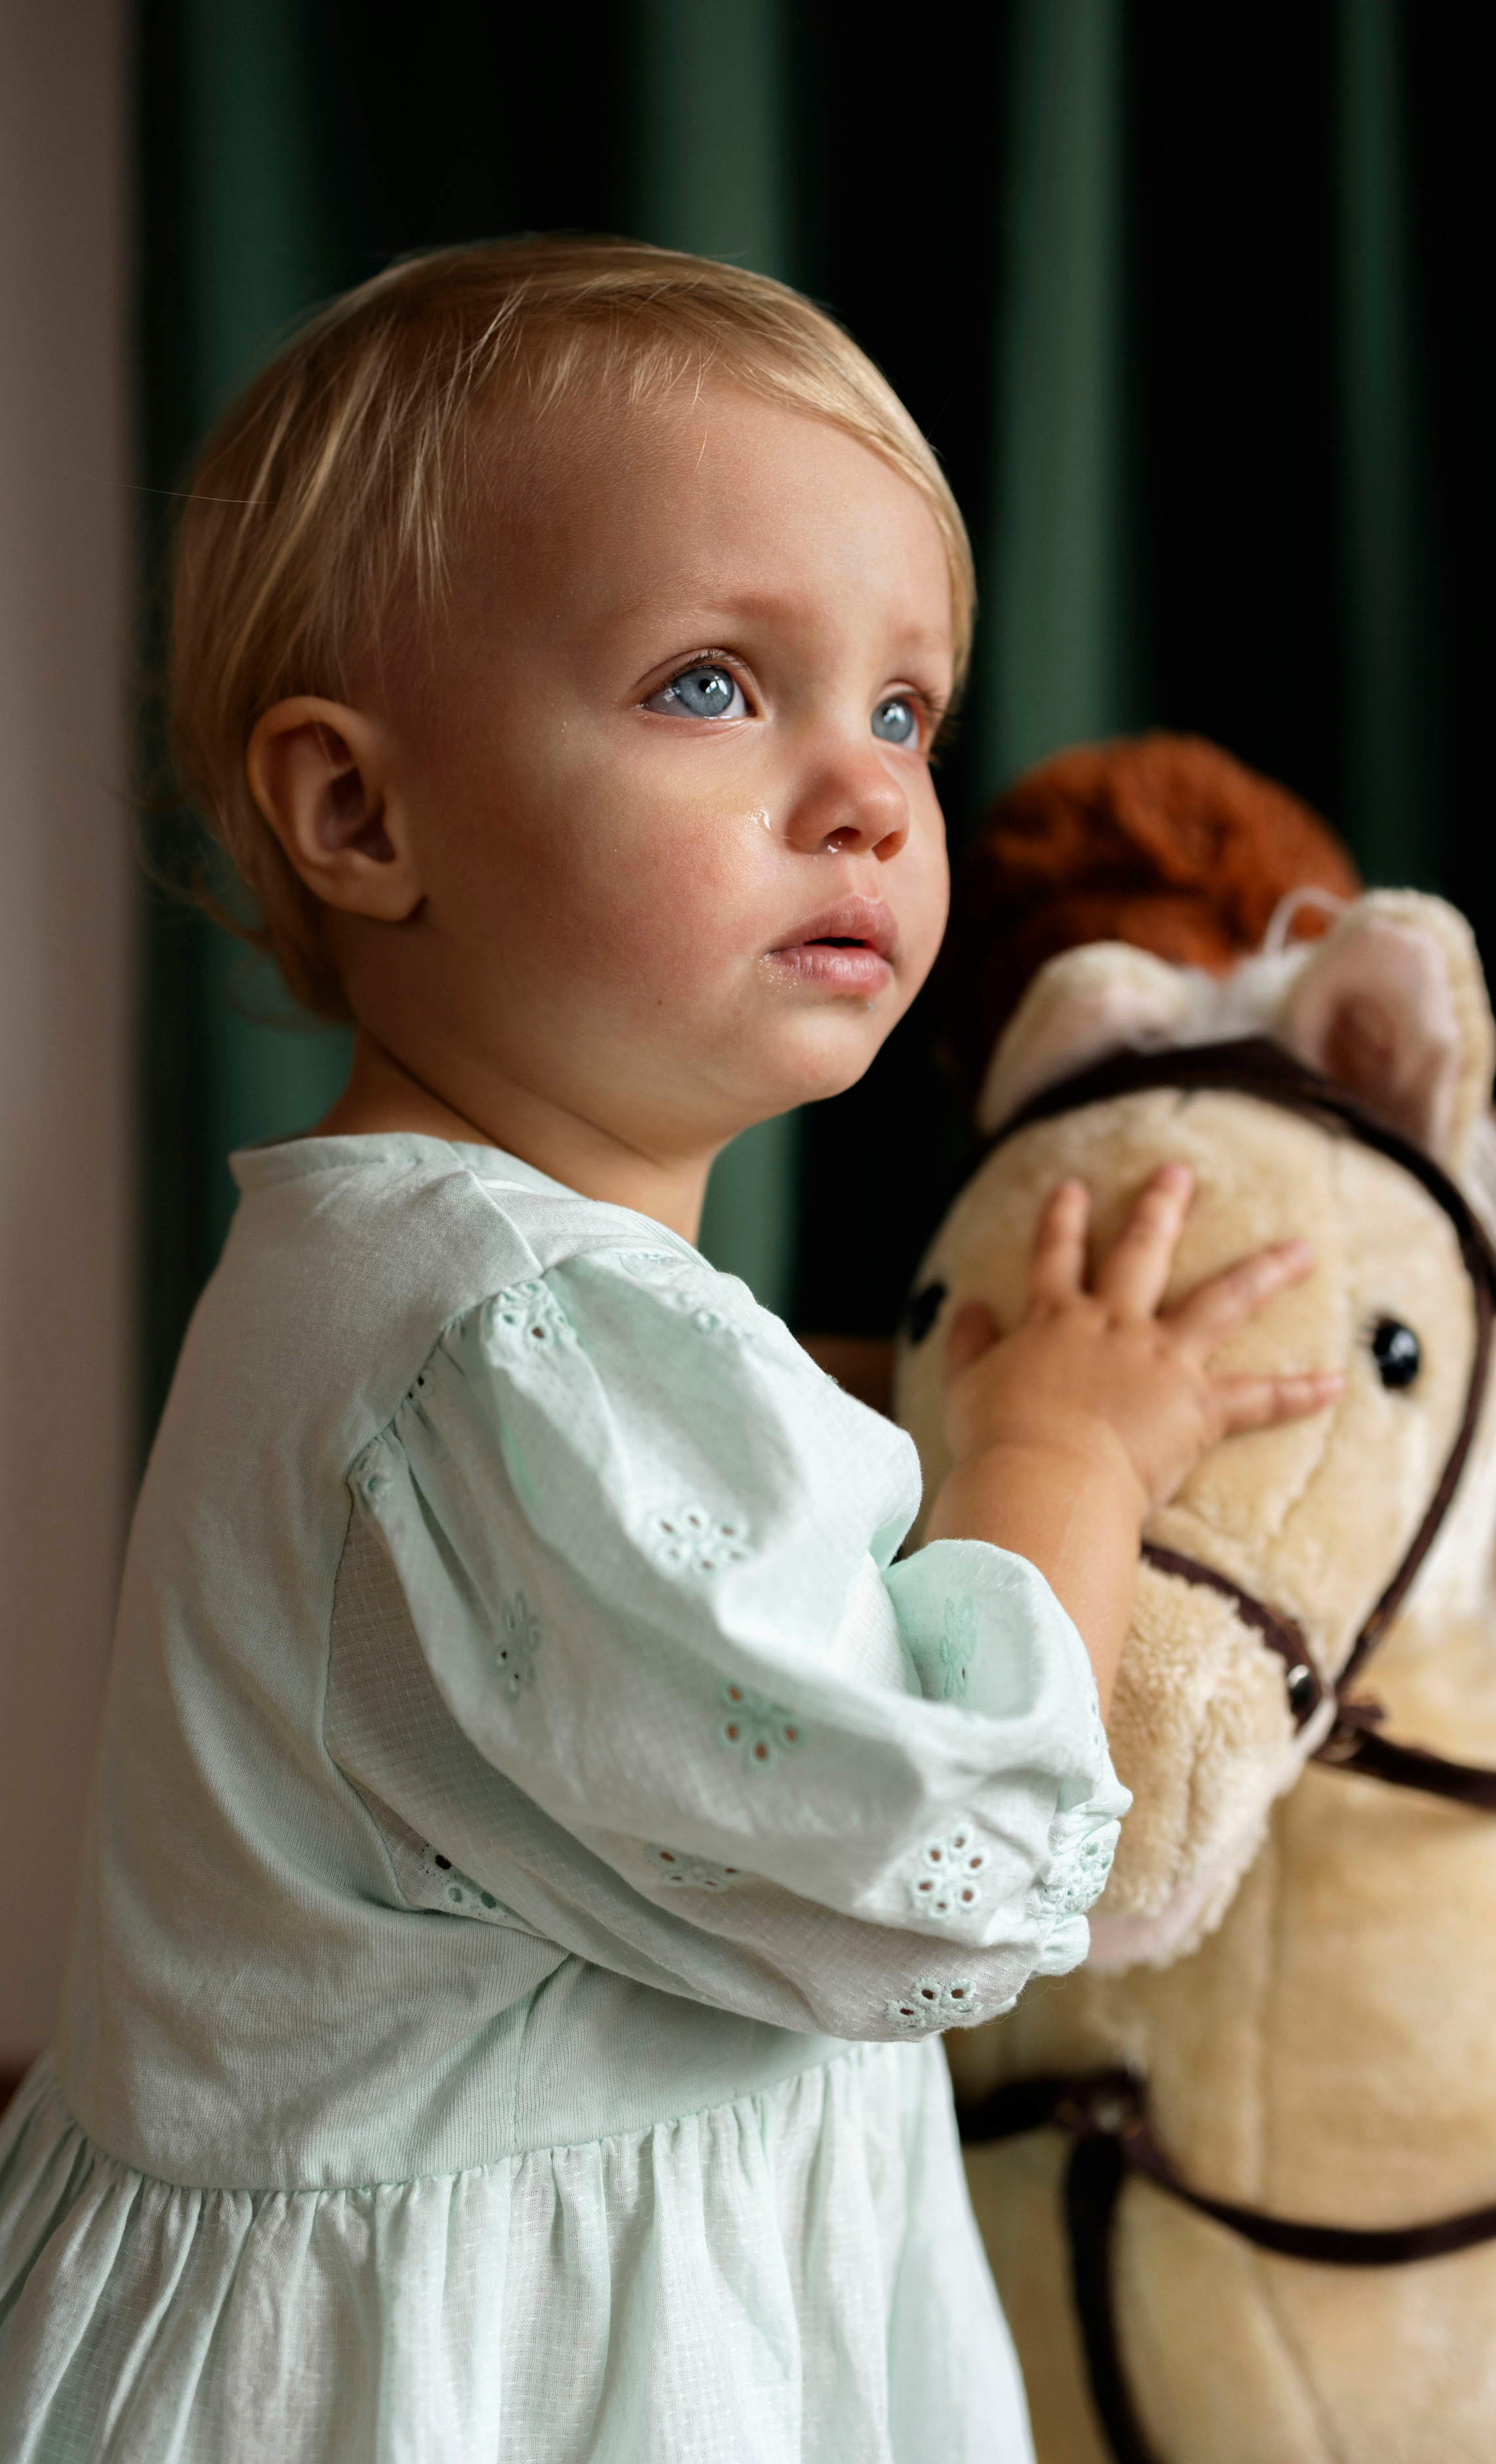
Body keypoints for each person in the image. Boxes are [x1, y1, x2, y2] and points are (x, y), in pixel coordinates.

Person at [0, 239, 1340, 2463]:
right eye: (715, 686)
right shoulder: (531, 1337)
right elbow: (948, 1872)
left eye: (902, 706)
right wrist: (1058, 1453)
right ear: (363, 814)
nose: (868, 794)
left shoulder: (399, 1275)